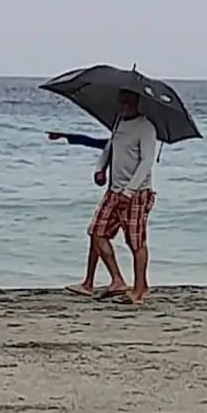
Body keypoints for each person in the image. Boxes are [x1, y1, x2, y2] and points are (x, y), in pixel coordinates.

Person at [87, 90, 159, 303]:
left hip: (136, 193)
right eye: (121, 102)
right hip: (114, 190)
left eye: (128, 102)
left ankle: (138, 290)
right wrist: (100, 169)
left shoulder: (146, 127)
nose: (124, 106)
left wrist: (130, 191)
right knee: (97, 232)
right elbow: (109, 149)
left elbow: (146, 162)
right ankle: (117, 279)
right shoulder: (118, 123)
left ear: (138, 103)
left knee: (136, 242)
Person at [49, 131, 108, 292]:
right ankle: (89, 282)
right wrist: (66, 136)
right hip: (115, 194)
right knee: (97, 233)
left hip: (128, 194)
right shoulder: (117, 141)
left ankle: (132, 285)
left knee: (132, 242)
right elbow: (94, 142)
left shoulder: (135, 142)